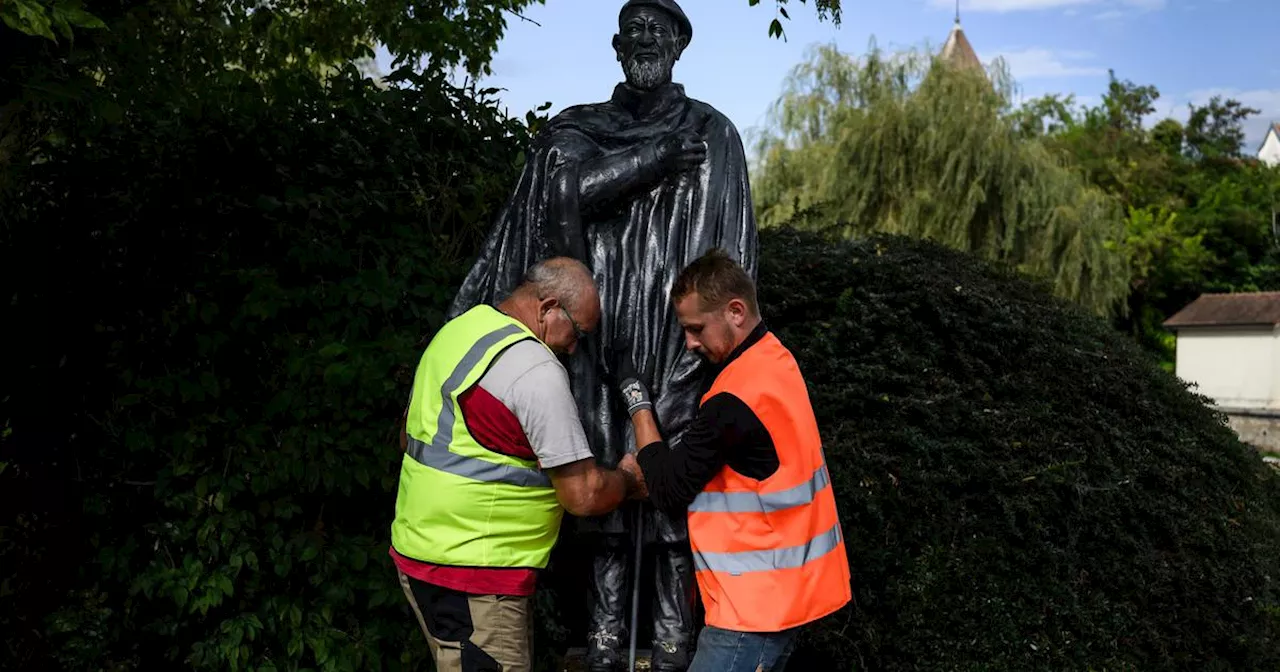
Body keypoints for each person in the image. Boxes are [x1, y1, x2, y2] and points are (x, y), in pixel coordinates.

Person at [445, 1, 757, 669]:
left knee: (674, 499)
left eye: (659, 30)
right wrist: (655, 157)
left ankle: (675, 644)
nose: (646, 40)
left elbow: (735, 257)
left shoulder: (716, 134)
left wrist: (710, 357)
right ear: (617, 47)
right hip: (594, 339)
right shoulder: (576, 132)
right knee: (605, 497)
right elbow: (559, 200)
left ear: (680, 45)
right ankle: (608, 642)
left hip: (682, 346)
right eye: (634, 30)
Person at [390, 257, 643, 672]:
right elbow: (583, 494)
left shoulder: (461, 330)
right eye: (577, 331)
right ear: (548, 307)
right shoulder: (534, 369)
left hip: (420, 555)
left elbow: (408, 434)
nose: (574, 347)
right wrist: (630, 480)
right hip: (477, 576)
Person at [614, 249, 853, 672]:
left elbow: (668, 488)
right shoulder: (775, 360)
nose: (689, 344)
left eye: (696, 329)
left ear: (736, 311)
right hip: (780, 596)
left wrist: (638, 405)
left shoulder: (733, 399)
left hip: (749, 612)